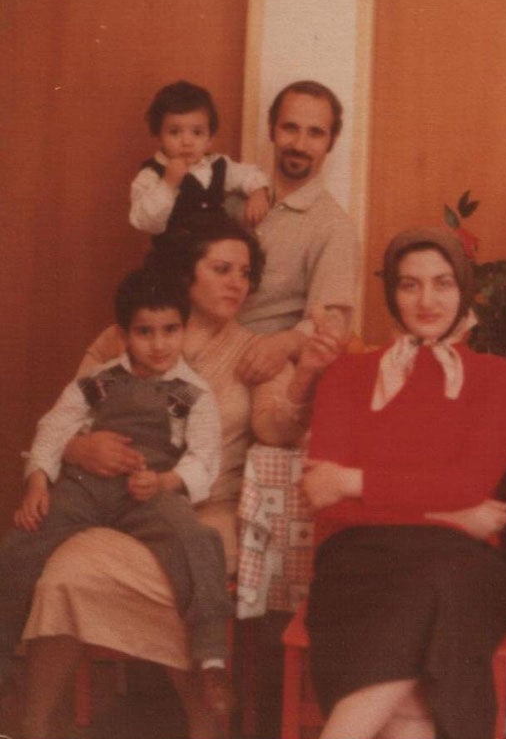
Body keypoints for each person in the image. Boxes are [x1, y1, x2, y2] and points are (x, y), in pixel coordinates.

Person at [16, 214, 309, 739]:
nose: (236, 283)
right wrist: (81, 450)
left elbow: (277, 426)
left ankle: (205, 721)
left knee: (130, 567)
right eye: (221, 269)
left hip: (206, 511)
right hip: (108, 503)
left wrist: (304, 375)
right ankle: (33, 722)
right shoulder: (119, 339)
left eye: (245, 272)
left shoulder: (255, 350)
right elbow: (67, 414)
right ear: (186, 275)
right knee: (61, 563)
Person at [300, 228, 506, 739]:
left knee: (437, 582)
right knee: (414, 706)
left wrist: (354, 481)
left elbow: (471, 481)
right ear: (391, 293)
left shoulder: (496, 377)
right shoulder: (347, 374)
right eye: (410, 285)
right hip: (360, 564)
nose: (427, 300)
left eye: (442, 284)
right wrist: (450, 515)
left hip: (460, 568)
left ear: (464, 289)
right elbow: (323, 499)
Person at [0, 267, 235, 711]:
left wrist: (164, 481)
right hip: (86, 487)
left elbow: (204, 459)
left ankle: (211, 660)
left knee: (196, 538)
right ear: (124, 334)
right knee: (23, 540)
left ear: (184, 329)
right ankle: (2, 660)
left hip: (146, 491)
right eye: (145, 332)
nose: (160, 344)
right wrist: (36, 481)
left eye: (170, 330)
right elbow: (54, 427)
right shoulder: (101, 381)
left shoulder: (190, 393)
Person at [234, 80, 362, 385]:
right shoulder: (232, 199)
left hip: (257, 370)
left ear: (331, 141)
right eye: (290, 128)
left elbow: (334, 321)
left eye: (315, 133)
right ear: (271, 130)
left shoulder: (334, 227)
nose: (300, 144)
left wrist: (285, 343)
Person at [130, 80, 270, 235]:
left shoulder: (217, 164)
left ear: (209, 139)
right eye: (174, 132)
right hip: (175, 255)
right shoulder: (152, 173)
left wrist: (258, 193)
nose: (187, 142)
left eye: (197, 132)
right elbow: (145, 222)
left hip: (217, 251)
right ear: (159, 136)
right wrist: (167, 184)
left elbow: (249, 174)